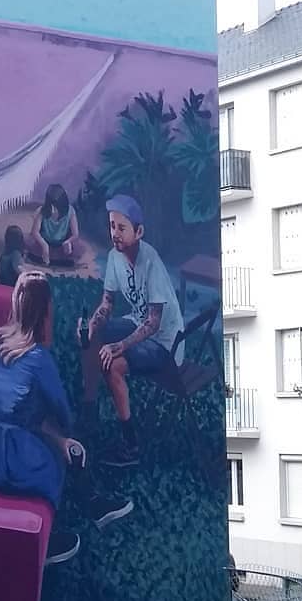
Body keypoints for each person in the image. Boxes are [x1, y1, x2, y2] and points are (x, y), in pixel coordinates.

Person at [0, 271, 133, 565]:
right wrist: (63, 435)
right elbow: (63, 413)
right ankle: (54, 535)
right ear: (46, 312)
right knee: (64, 443)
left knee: (44, 425)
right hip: (8, 458)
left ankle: (94, 503)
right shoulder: (38, 359)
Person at [81, 193, 185, 468]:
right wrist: (93, 323)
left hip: (165, 343)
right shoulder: (115, 257)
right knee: (93, 336)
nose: (114, 233)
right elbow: (108, 302)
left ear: (138, 232)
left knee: (112, 366)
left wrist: (120, 346)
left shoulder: (151, 262)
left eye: (121, 227)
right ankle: (89, 406)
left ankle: (131, 445)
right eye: (112, 226)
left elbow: (153, 322)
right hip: (137, 322)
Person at [28, 183, 79, 266]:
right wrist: (44, 245)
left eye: (55, 206)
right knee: (31, 246)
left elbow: (75, 234)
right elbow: (35, 232)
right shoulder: (42, 211)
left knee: (75, 250)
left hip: (62, 242)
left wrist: (68, 241)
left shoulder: (70, 211)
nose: (52, 209)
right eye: (50, 205)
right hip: (45, 240)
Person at [0, 224, 26, 288]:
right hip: (11, 288)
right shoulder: (16, 255)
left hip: (1, 286)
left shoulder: (4, 254)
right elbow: (21, 273)